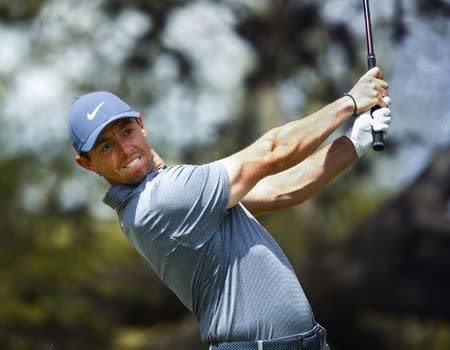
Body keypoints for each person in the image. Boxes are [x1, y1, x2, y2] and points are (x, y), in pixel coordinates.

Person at [68, 67, 391, 350]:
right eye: (106, 146)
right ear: (87, 164)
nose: (125, 149)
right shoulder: (161, 198)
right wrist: (350, 102)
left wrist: (354, 143)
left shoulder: (179, 190)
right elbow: (272, 151)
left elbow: (282, 191)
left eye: (126, 131)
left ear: (141, 124)